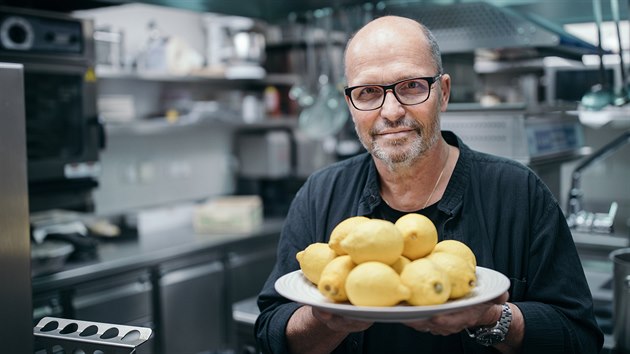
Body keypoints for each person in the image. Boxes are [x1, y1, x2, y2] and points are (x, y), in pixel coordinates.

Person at [255, 15, 603, 354]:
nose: (390, 111)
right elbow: (271, 331)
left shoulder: (519, 192)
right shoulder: (320, 194)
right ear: (350, 104)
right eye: (368, 92)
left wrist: (492, 319)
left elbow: (579, 336)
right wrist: (325, 321)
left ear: (444, 92)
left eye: (411, 86)